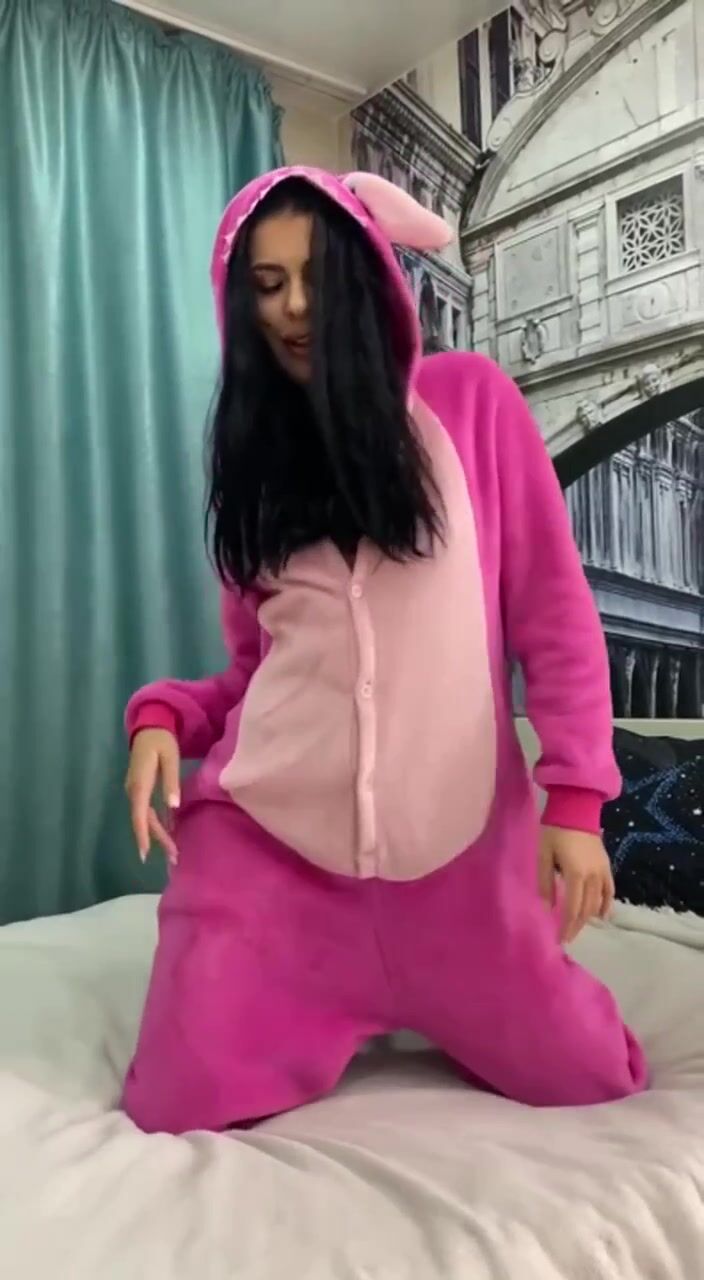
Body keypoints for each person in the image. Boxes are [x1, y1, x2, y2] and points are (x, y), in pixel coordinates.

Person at [122, 166, 647, 1135]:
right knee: (170, 1101)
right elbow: (254, 679)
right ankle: (312, 998)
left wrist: (575, 799)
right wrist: (163, 715)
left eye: (315, 275)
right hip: (273, 860)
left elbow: (553, 614)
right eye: (267, 284)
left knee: (595, 1074)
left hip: (460, 872)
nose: (294, 306)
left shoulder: (472, 405)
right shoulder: (255, 474)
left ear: (365, 278)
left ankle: (423, 994)